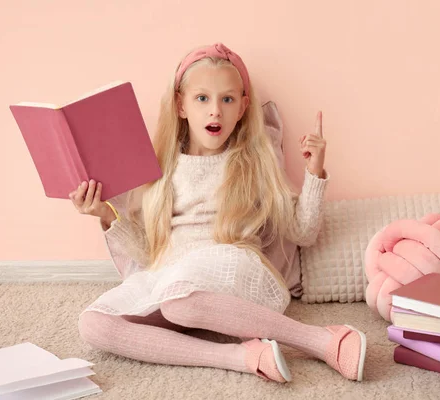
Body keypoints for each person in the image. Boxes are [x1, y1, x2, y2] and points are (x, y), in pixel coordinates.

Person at [73, 43, 366, 383]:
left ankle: (322, 340)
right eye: (202, 99)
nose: (215, 111)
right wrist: (105, 216)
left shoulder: (253, 162)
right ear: (180, 105)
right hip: (171, 276)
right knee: (93, 324)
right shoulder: (160, 168)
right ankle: (240, 356)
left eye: (227, 100)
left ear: (243, 107)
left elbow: (304, 232)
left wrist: (315, 172)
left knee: (179, 301)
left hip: (232, 267)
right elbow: (147, 253)